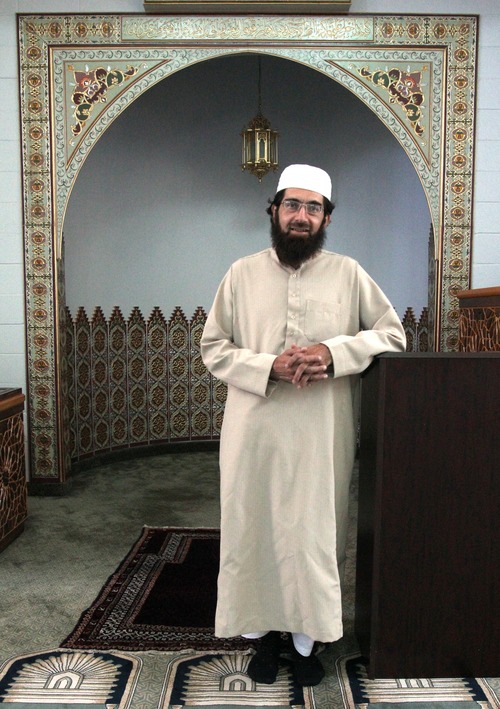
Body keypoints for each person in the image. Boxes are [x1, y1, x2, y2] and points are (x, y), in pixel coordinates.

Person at [200, 164, 406, 686]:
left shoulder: (349, 273)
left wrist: (333, 353)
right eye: (292, 205)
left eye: (314, 208)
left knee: (312, 534)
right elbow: (213, 347)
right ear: (273, 211)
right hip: (255, 428)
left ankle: (307, 640)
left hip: (322, 430)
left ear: (327, 219)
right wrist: (268, 366)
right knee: (254, 527)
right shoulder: (241, 274)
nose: (301, 216)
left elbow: (392, 334)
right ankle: (263, 638)